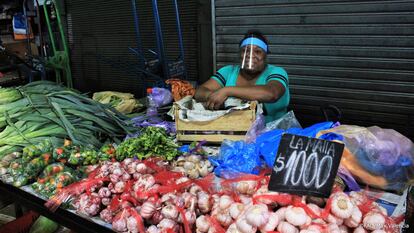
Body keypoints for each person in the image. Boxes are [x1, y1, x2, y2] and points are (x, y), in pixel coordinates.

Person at [194, 30, 290, 123]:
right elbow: (200, 91)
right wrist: (215, 97)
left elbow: (271, 94)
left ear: (265, 56)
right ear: (240, 54)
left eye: (257, 51)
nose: (250, 55)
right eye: (245, 51)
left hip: (272, 134)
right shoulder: (228, 71)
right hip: (234, 131)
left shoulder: (275, 72)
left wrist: (226, 91)